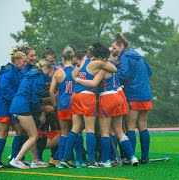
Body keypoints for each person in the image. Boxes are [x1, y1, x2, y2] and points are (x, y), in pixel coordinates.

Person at [74, 42, 139, 167]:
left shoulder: (101, 66)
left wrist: (78, 80)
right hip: (118, 95)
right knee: (119, 131)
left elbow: (94, 83)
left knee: (105, 132)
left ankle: (106, 161)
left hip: (107, 98)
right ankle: (132, 157)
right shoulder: (109, 64)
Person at [60, 43, 117, 168]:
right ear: (102, 57)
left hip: (75, 95)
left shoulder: (83, 61)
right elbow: (114, 69)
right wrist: (104, 65)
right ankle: (92, 161)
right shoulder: (98, 63)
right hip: (87, 96)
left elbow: (74, 75)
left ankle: (65, 158)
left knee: (75, 128)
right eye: (106, 58)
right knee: (90, 129)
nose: (107, 60)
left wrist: (79, 80)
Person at [111, 32, 153, 164]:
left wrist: (112, 68)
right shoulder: (138, 55)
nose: (113, 50)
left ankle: (131, 157)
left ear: (121, 45)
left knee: (130, 126)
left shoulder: (124, 57)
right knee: (143, 125)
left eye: (114, 48)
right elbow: (149, 72)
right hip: (145, 94)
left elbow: (123, 75)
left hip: (133, 95)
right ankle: (145, 157)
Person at [8, 59, 54, 169]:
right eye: (51, 70)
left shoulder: (29, 74)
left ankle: (35, 161)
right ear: (46, 68)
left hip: (17, 106)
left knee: (31, 135)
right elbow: (35, 99)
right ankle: (17, 159)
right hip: (22, 108)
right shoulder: (39, 78)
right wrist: (40, 113)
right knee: (34, 136)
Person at [0, 48, 27, 168]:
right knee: (3, 133)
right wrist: (17, 99)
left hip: (13, 108)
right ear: (17, 61)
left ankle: (13, 160)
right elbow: (4, 90)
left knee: (20, 131)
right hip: (3, 108)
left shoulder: (18, 72)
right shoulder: (7, 72)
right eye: (23, 62)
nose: (25, 64)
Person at [8, 44, 37, 166]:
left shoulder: (28, 68)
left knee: (25, 133)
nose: (34, 58)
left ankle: (19, 158)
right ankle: (15, 158)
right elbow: (17, 90)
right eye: (32, 55)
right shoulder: (21, 71)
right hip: (19, 106)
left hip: (21, 105)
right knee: (22, 133)